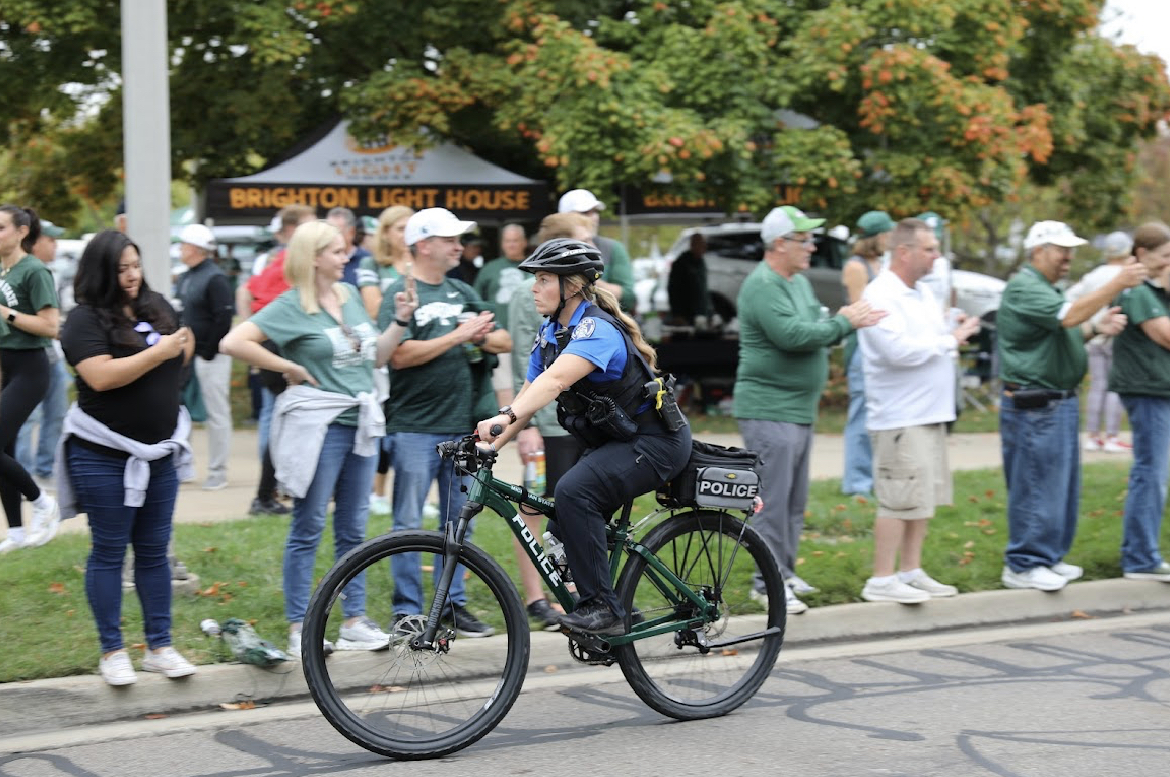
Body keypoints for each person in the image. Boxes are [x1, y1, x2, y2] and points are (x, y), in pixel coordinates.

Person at [220, 220, 417, 658]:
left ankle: (354, 620)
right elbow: (233, 341)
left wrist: (400, 320)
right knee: (307, 526)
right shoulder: (290, 306)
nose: (346, 255)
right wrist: (285, 366)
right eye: (336, 251)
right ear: (312, 258)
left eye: (345, 249)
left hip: (359, 425)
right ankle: (299, 626)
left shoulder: (347, 298)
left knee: (354, 528)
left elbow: (376, 357)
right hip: (321, 429)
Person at [477, 238, 692, 635]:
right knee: (563, 524)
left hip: (656, 442)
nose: (534, 288)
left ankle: (605, 611)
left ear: (571, 287)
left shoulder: (595, 329)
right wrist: (487, 446)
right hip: (620, 442)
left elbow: (556, 381)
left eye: (543, 279)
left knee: (575, 492)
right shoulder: (551, 334)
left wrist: (501, 415)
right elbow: (527, 397)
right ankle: (622, 611)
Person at [57, 229, 198, 685]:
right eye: (122, 269)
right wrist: (161, 352)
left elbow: (183, 346)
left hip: (158, 453)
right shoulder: (82, 321)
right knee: (110, 552)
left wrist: (177, 348)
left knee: (154, 553)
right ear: (102, 272)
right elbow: (100, 376)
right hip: (103, 455)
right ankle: (112, 650)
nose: (132, 275)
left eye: (135, 265)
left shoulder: (155, 304)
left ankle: (160, 646)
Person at [734, 205, 884, 614]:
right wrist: (844, 323)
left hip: (797, 409)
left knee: (795, 501)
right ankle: (765, 584)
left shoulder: (795, 282)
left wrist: (833, 324)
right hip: (769, 408)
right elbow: (793, 335)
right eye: (804, 240)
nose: (812, 247)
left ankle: (784, 569)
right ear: (780, 243)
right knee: (773, 501)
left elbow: (816, 323)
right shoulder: (763, 284)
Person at [378, 207, 511, 638]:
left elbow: (505, 339)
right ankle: (406, 613)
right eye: (450, 239)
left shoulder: (460, 290)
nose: (459, 246)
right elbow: (399, 355)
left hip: (460, 428)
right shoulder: (400, 292)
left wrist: (480, 335)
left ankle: (451, 606)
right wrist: (459, 335)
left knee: (459, 521)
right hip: (414, 426)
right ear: (423, 245)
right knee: (408, 524)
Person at [998, 220, 1145, 592]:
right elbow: (1069, 316)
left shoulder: (1048, 288)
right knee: (1034, 484)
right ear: (1038, 251)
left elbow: (1069, 330)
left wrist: (1098, 328)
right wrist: (1116, 283)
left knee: (1058, 486)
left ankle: (1047, 557)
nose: (1069, 256)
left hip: (1056, 401)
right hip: (1036, 404)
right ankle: (1023, 563)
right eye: (1061, 249)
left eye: (1070, 249)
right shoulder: (1024, 287)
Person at [858, 219, 982, 603]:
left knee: (921, 497)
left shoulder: (922, 293)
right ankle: (881, 579)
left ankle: (910, 570)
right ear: (904, 253)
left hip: (929, 413)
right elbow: (898, 351)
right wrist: (950, 339)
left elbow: (925, 334)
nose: (937, 255)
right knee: (898, 497)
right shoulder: (879, 295)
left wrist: (950, 323)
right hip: (899, 416)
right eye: (929, 249)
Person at [504, 213, 591, 630]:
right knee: (534, 509)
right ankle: (538, 597)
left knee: (572, 511)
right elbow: (530, 362)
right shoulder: (532, 294)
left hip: (576, 423)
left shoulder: (588, 307)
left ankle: (576, 593)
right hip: (546, 422)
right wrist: (526, 424)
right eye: (582, 236)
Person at [237, 204, 316, 516]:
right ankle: (268, 495)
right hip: (279, 346)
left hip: (273, 344)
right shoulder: (290, 262)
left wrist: (252, 326)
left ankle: (269, 494)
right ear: (291, 230)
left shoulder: (280, 260)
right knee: (287, 425)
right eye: (310, 227)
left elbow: (245, 291)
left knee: (282, 423)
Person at [1109, 222, 1170, 582]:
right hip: (1147, 390)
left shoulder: (1155, 290)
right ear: (1142, 254)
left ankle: (1142, 553)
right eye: (1164, 256)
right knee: (1151, 473)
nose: (1168, 263)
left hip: (1158, 389)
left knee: (1154, 472)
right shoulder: (1136, 291)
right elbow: (1165, 335)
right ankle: (1139, 557)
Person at [0, 205, 60, 553]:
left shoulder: (34, 270)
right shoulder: (3, 271)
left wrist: (6, 312)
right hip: (6, 367)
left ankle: (42, 503)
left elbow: (51, 327)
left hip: (31, 368)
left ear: (22, 232)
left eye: (2, 227)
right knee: (4, 450)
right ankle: (18, 533)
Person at [356, 205, 414, 514]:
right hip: (382, 352)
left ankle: (398, 493)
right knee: (380, 422)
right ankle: (375, 492)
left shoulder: (418, 262)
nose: (406, 235)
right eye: (399, 229)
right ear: (386, 234)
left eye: (410, 228)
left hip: (413, 349)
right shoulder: (372, 264)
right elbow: (375, 309)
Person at [174, 223, 234, 491]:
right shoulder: (188, 277)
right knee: (180, 409)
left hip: (212, 356)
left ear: (197, 248)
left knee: (216, 413)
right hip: (190, 354)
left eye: (184, 245)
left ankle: (218, 470)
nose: (180, 250)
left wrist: (208, 349)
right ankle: (184, 466)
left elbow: (224, 317)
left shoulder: (214, 278)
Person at [840, 210, 894, 497]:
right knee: (861, 416)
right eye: (888, 234)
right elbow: (861, 311)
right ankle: (856, 484)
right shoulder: (857, 267)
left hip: (881, 345)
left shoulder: (882, 264)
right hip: (862, 348)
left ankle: (873, 479)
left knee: (878, 416)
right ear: (877, 236)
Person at [1067, 230, 1134, 453]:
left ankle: (1092, 436)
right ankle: (1112, 436)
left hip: (1094, 336)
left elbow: (1070, 297)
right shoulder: (1129, 274)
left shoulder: (1093, 275)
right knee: (1115, 386)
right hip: (1118, 335)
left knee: (1097, 385)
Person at [16, 219, 69, 484]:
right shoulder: (24, 273)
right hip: (28, 357)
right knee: (27, 417)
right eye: (50, 240)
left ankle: (46, 469)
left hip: (53, 356)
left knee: (57, 413)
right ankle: (22, 474)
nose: (55, 245)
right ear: (35, 242)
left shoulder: (48, 272)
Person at [475, 223, 529, 408]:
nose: (512, 245)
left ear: (524, 242)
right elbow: (477, 302)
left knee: (530, 383)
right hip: (501, 339)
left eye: (515, 241)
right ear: (502, 244)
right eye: (508, 241)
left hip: (529, 338)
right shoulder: (490, 269)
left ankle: (528, 427)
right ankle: (508, 430)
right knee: (504, 386)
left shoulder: (534, 267)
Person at [557, 189, 636, 310]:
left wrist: (586, 275)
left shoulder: (612, 248)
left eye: (594, 212)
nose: (593, 217)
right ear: (564, 219)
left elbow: (628, 297)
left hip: (604, 322)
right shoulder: (551, 250)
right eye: (584, 213)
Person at [666, 232, 710, 323]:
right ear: (693, 245)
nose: (704, 249)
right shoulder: (681, 263)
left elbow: (704, 290)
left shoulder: (701, 263)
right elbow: (673, 290)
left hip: (701, 312)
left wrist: (709, 311)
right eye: (701, 245)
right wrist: (677, 314)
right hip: (685, 313)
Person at [325, 207, 371, 287]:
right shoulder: (322, 259)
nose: (329, 236)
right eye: (326, 231)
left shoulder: (368, 260)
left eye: (336, 231)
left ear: (352, 232)